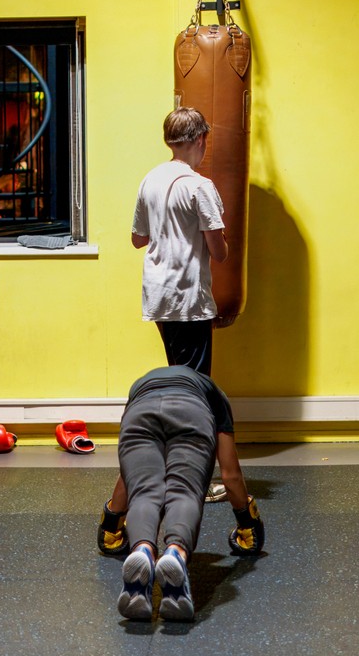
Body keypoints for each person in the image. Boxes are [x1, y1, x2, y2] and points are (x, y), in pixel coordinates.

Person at [97, 365, 261, 623]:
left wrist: (112, 523)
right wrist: (248, 523)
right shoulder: (214, 392)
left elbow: (129, 477)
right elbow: (230, 475)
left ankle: (142, 551)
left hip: (140, 410)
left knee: (144, 492)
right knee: (184, 491)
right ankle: (175, 553)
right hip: (192, 411)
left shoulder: (140, 383)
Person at [131, 107, 228, 376]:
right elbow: (219, 253)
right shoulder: (199, 186)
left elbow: (137, 239)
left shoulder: (149, 180)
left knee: (178, 374)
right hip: (187, 297)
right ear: (200, 140)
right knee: (194, 383)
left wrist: (167, 227)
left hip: (158, 295)